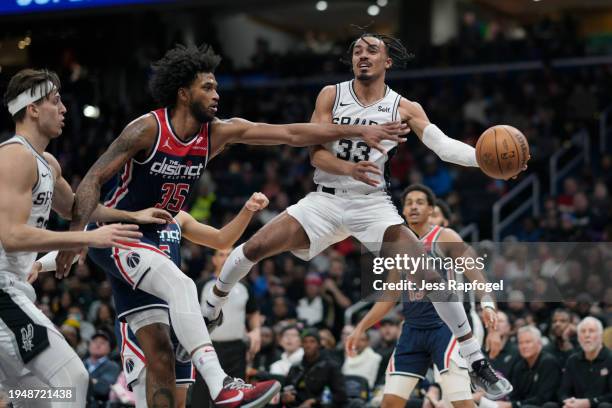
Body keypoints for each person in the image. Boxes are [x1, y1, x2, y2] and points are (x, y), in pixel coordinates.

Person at [54, 43, 405, 407]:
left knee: (161, 353)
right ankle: (222, 385)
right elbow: (91, 181)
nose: (217, 94)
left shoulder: (217, 133)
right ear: (183, 92)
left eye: (217, 87)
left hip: (157, 236)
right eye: (208, 87)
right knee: (182, 284)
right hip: (119, 233)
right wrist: (75, 238)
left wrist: (356, 132)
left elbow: (290, 134)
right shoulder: (146, 128)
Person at [204, 33, 523, 399]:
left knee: (430, 272)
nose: (362, 55)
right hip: (325, 199)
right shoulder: (331, 94)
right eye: (356, 50)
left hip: (371, 203)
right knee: (253, 247)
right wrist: (348, 168)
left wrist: (483, 161)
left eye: (372, 50)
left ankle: (477, 361)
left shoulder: (404, 107)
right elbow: (315, 155)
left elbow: (442, 145)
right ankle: (212, 306)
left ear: (387, 61)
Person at [0, 68, 168, 407]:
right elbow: (12, 236)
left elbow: (78, 208)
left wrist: (131, 215)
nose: (64, 109)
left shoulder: (46, 162)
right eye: (55, 101)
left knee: (38, 396)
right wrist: (87, 239)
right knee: (72, 379)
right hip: (2, 290)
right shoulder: (14, 156)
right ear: (32, 108)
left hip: (14, 287)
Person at [44, 192, 271, 407]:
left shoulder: (178, 216)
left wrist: (247, 211)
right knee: (150, 401)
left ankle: (218, 381)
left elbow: (222, 239)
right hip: (140, 312)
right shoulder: (123, 213)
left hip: (177, 314)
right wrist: (39, 265)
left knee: (179, 402)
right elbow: (79, 241)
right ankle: (217, 379)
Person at [347, 184, 495, 408]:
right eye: (409, 203)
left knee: (460, 403)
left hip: (446, 328)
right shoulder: (399, 246)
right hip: (413, 329)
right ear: (402, 211)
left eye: (420, 202)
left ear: (431, 209)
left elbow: (477, 275)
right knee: (389, 403)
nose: (413, 207)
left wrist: (487, 304)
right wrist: (361, 327)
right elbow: (389, 296)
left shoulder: (445, 237)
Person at [193, 244, 264, 407]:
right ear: (214, 259)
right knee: (201, 397)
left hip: (236, 350)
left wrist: (256, 331)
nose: (225, 258)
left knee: (236, 397)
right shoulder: (201, 284)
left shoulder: (245, 286)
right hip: (208, 349)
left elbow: (253, 312)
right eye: (221, 254)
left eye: (229, 255)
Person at [477, 326, 561, 408]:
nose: (524, 346)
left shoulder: (548, 362)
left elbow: (543, 398)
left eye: (528, 342)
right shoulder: (519, 365)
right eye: (521, 343)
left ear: (539, 343)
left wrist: (513, 405)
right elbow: (514, 395)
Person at [282, 328, 347, 407]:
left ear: (319, 344)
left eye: (312, 341)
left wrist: (314, 401)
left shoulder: (331, 367)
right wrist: (285, 396)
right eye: (305, 342)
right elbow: (287, 388)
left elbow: (341, 396)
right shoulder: (296, 367)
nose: (308, 345)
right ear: (301, 344)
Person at [556, 317, 612, 408]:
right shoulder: (572, 360)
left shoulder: (610, 359)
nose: (587, 335)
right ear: (578, 338)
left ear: (601, 336)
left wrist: (590, 403)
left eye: (591, 331)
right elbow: (563, 392)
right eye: (583, 331)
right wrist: (568, 402)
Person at [84, 330, 121, 408]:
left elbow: (103, 389)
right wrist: (94, 381)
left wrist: (81, 380)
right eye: (95, 341)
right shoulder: (81, 363)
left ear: (109, 349)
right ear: (89, 346)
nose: (98, 345)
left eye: (102, 343)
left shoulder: (112, 366)